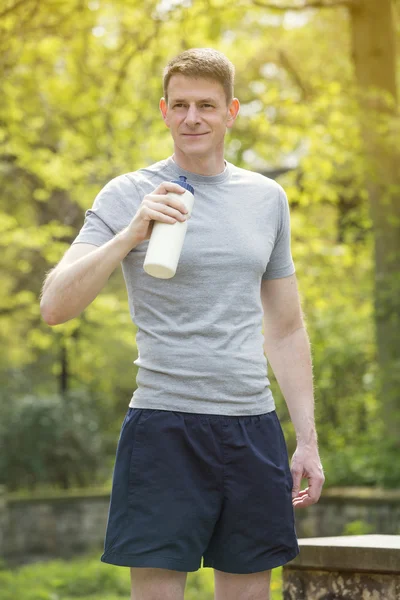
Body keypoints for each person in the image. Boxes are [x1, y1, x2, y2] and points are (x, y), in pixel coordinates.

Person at [40, 47, 324, 600]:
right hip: (163, 426)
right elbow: (54, 306)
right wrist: (131, 234)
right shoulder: (127, 194)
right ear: (164, 112)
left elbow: (286, 329)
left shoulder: (267, 199)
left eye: (207, 105)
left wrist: (307, 440)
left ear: (231, 111)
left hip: (251, 426)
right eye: (181, 105)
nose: (193, 117)